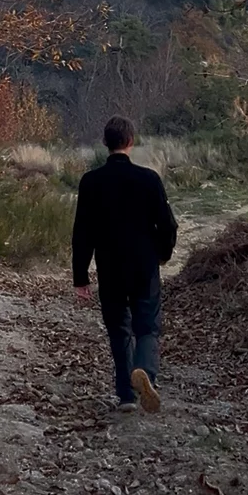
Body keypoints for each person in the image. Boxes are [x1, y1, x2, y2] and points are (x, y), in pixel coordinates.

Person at [71, 116, 178, 413]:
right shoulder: (149, 179)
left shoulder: (91, 182)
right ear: (131, 141)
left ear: (105, 143)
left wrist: (81, 277)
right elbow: (168, 225)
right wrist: (163, 253)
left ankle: (127, 397)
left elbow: (82, 233)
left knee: (119, 329)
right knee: (147, 327)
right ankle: (145, 372)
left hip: (110, 268)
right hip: (144, 266)